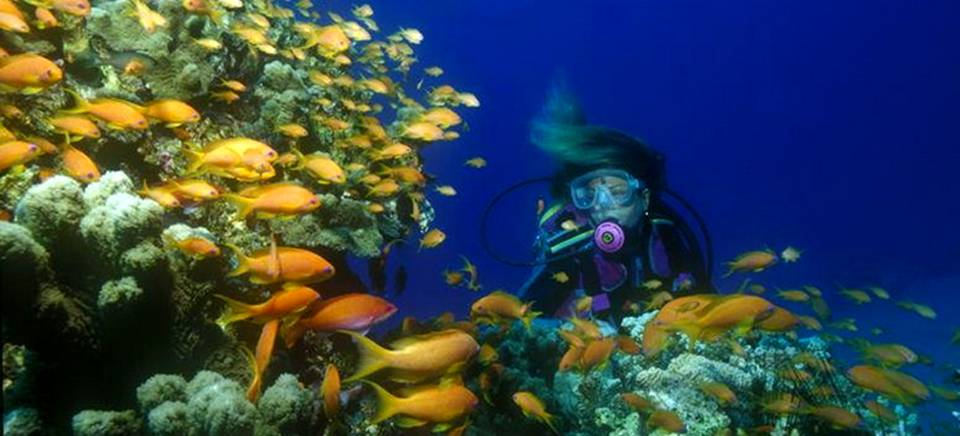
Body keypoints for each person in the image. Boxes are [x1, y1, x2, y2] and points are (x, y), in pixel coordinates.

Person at [517, 80, 712, 324]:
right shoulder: (567, 249)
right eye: (588, 194)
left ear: (644, 197)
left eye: (617, 191)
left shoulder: (669, 236)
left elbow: (707, 305)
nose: (601, 204)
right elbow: (522, 322)